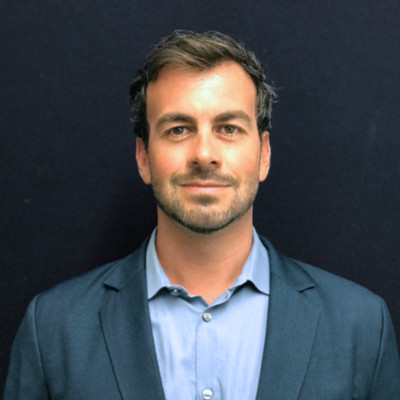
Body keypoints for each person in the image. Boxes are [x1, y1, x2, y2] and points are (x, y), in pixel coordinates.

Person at [4, 30, 400, 400]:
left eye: (228, 128)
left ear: (263, 154)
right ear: (143, 157)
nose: (204, 154)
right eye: (178, 129)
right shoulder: (53, 330)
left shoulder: (361, 327)